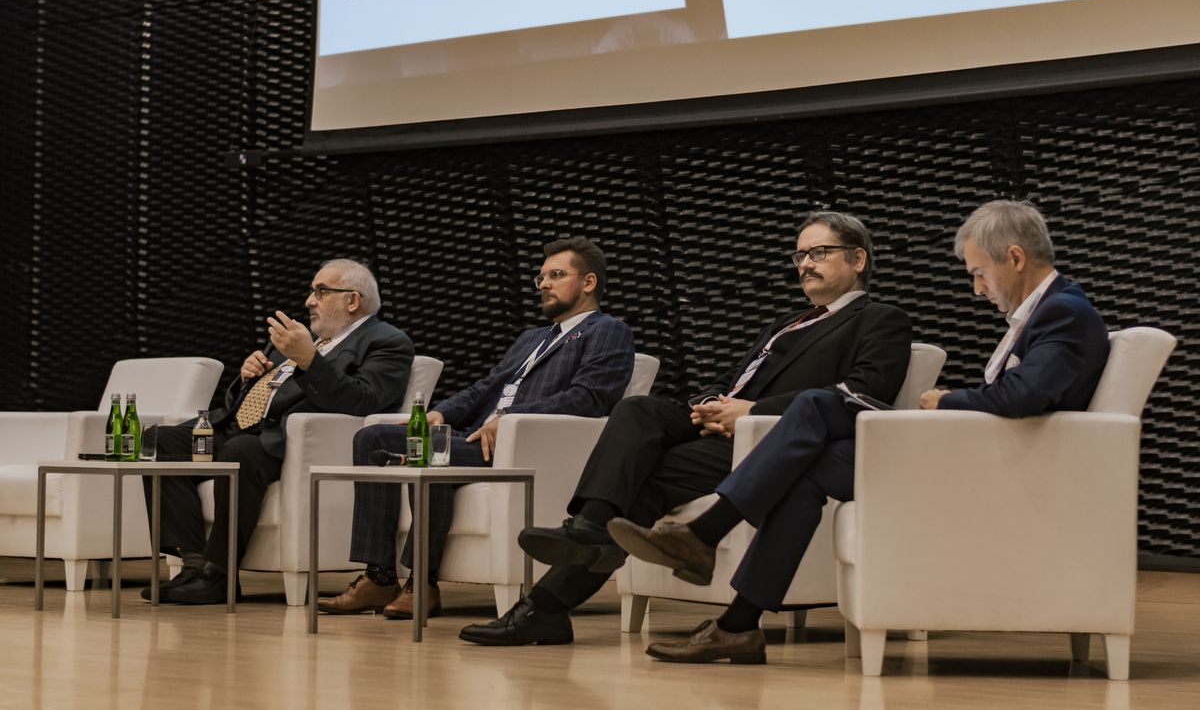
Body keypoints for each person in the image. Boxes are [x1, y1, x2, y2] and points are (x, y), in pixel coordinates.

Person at [614, 199, 1110, 664]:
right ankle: (738, 625)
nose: (978, 289)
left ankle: (705, 533)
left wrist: (946, 400)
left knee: (814, 406)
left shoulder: (1063, 311)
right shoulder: (1051, 312)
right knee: (804, 467)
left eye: (979, 273)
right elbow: (1024, 394)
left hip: (992, 468)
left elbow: (1024, 396)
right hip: (978, 454)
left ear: (1016, 258)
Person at [459, 212, 913, 646]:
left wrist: (752, 411)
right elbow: (733, 381)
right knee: (638, 411)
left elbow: (862, 393)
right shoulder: (787, 323)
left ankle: (545, 606)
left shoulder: (880, 318)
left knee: (641, 488)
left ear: (858, 258)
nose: (805, 264)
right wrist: (709, 404)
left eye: (819, 253)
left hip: (771, 443)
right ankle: (588, 527)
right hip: (721, 429)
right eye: (800, 256)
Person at [318, 236, 635, 620]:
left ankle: (422, 583)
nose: (544, 284)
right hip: (477, 437)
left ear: (589, 282)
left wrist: (512, 418)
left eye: (556, 275)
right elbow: (486, 387)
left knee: (432, 454)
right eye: (541, 278)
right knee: (373, 438)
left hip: (526, 445)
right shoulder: (532, 338)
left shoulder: (607, 330)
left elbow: (589, 397)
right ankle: (379, 576)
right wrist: (441, 412)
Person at [141, 259, 414, 605]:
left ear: (352, 300)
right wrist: (247, 377)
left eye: (321, 291)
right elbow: (248, 399)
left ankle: (219, 573)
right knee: (157, 442)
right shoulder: (302, 339)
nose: (309, 301)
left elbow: (365, 400)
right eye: (312, 291)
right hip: (238, 427)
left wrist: (310, 361)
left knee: (240, 451)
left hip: (286, 440)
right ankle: (193, 565)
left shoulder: (386, 341)